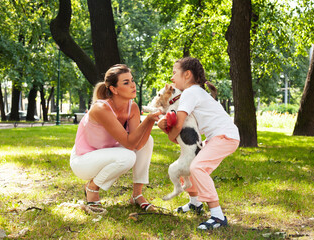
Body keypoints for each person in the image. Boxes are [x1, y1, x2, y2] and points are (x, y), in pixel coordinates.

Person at [157, 57, 240, 230]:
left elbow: (179, 124)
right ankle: (195, 203)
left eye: (174, 73)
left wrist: (168, 134)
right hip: (220, 136)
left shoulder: (190, 92)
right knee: (188, 166)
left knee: (197, 168)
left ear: (187, 75)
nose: (172, 78)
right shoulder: (194, 92)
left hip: (225, 136)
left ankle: (217, 216)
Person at [70, 64, 161, 211]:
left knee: (148, 140)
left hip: (107, 153)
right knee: (128, 157)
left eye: (132, 80)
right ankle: (92, 189)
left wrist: (150, 121)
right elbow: (129, 144)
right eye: (126, 83)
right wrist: (148, 120)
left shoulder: (133, 107)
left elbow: (138, 145)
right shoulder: (101, 108)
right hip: (83, 160)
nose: (133, 85)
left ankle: (137, 195)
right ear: (113, 89)